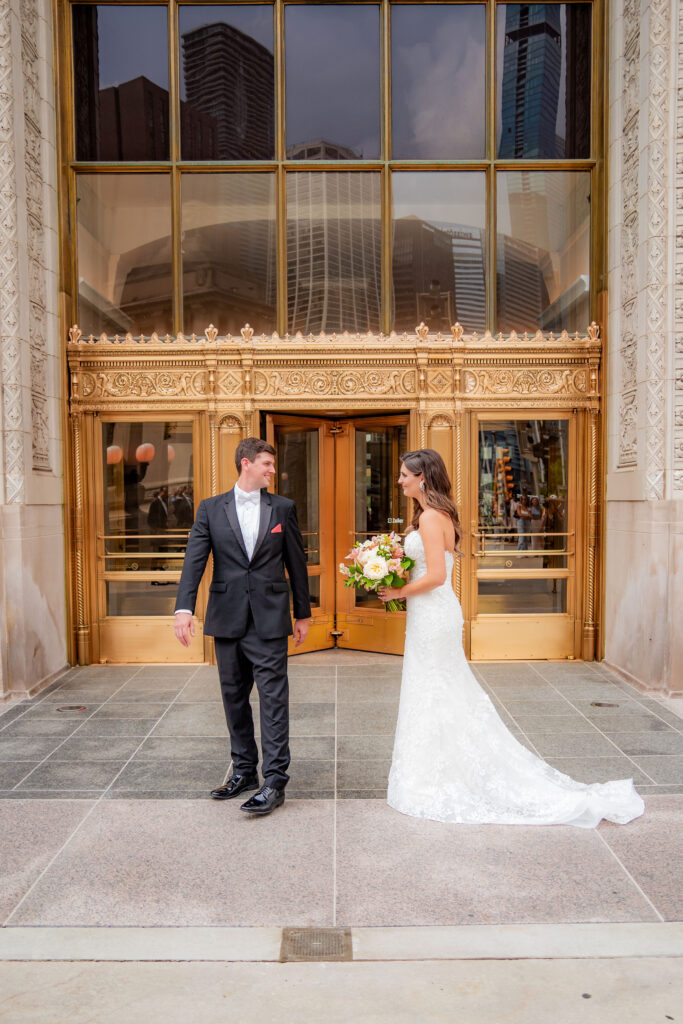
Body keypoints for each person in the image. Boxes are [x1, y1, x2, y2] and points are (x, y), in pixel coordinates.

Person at [378, 448, 644, 828]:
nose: (400, 480)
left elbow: (437, 575)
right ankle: (432, 770)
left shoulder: (433, 517)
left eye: (405, 474)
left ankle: (439, 775)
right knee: (432, 690)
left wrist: (397, 592)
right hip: (429, 616)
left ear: (423, 478)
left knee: (437, 688)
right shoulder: (429, 516)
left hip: (434, 615)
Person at [173, 438, 311, 816]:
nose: (272, 470)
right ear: (246, 463)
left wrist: (303, 612)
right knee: (233, 698)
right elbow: (194, 561)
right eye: (266, 464)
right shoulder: (210, 509)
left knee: (273, 699)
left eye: (272, 464)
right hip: (227, 616)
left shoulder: (283, 507)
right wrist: (184, 608)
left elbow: (296, 561)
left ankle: (275, 780)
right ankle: (244, 771)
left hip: (269, 618)